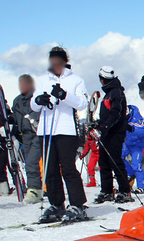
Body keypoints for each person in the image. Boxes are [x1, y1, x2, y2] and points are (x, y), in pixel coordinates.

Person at [31, 47, 88, 223]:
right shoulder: (42, 80)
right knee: (50, 168)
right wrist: (38, 100)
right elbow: (34, 104)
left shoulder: (75, 80)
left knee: (68, 168)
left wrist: (64, 95)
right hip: (46, 129)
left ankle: (77, 204)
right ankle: (56, 204)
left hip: (66, 130)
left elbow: (82, 103)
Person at [94, 66, 133, 204]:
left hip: (114, 132)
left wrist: (104, 126)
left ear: (102, 79)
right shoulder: (109, 93)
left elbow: (116, 113)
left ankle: (124, 190)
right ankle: (107, 191)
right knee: (104, 162)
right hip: (107, 132)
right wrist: (99, 124)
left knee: (115, 161)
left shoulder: (116, 92)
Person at [11, 74, 42, 203]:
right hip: (25, 136)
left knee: (32, 162)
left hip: (37, 134)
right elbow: (15, 116)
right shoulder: (17, 101)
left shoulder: (36, 98)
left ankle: (34, 189)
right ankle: (36, 189)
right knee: (28, 162)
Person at [122, 105, 144, 193]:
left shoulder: (137, 118)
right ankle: (130, 173)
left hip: (137, 144)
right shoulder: (122, 116)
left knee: (137, 165)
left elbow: (141, 132)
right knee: (118, 158)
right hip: (127, 143)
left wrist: (130, 128)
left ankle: (142, 186)